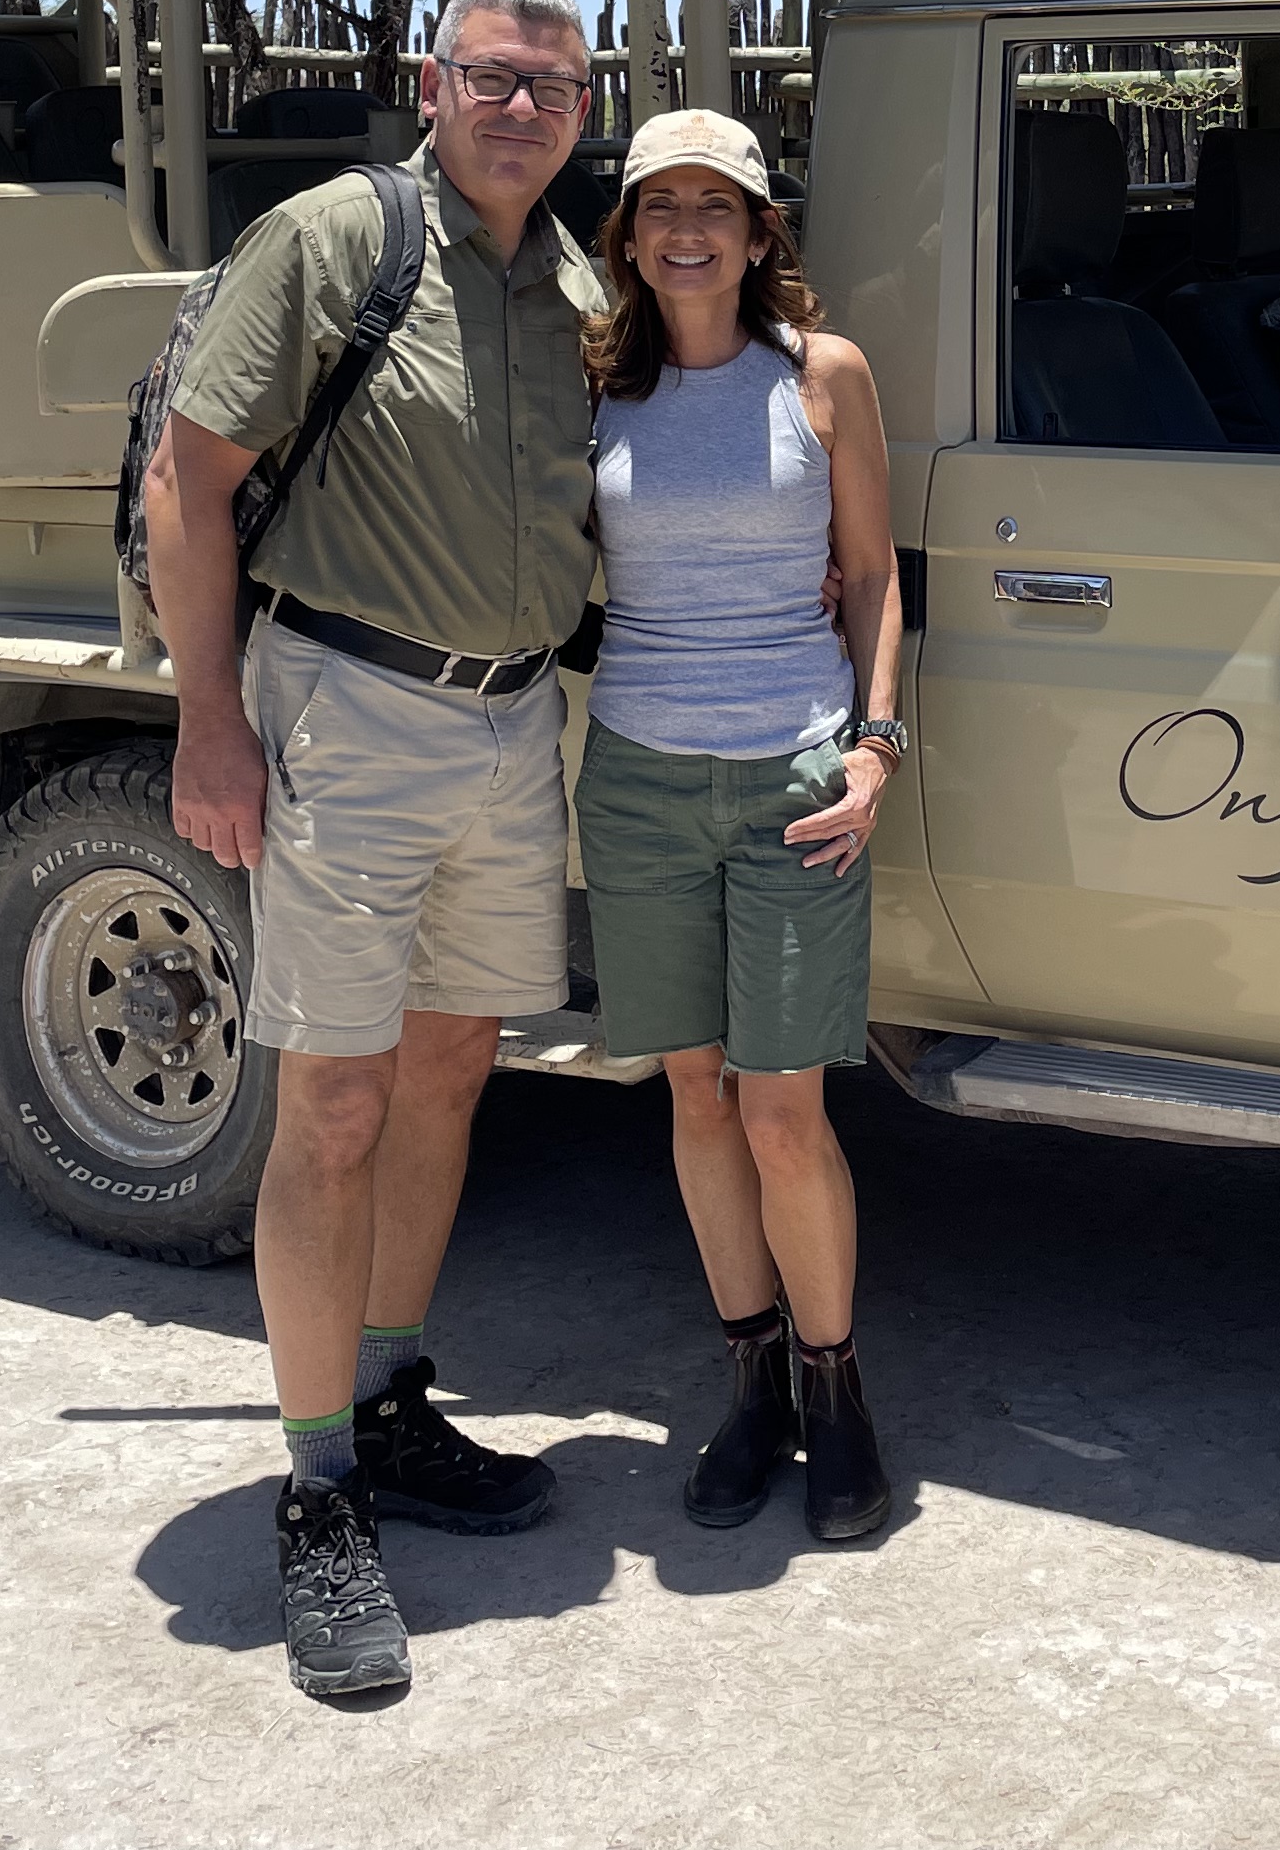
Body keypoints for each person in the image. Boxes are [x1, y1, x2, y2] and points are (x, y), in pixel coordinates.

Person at [143, 0, 610, 1701]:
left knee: (452, 1068)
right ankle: (318, 1483)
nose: (523, 108)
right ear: (433, 83)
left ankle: (392, 1392)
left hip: (510, 720)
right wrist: (209, 721)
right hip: (346, 706)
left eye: (555, 86)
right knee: (333, 1102)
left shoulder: (572, 279)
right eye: (494, 77)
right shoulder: (340, 240)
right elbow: (187, 483)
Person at [572, 109, 908, 1542]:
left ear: (763, 231)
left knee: (783, 1108)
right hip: (639, 779)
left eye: (719, 205)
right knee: (695, 1094)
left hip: (794, 780)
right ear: (630, 237)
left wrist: (876, 749)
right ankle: (752, 1382)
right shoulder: (595, 384)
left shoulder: (823, 376)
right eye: (663, 206)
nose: (689, 230)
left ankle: (838, 1392)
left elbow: (873, 574)